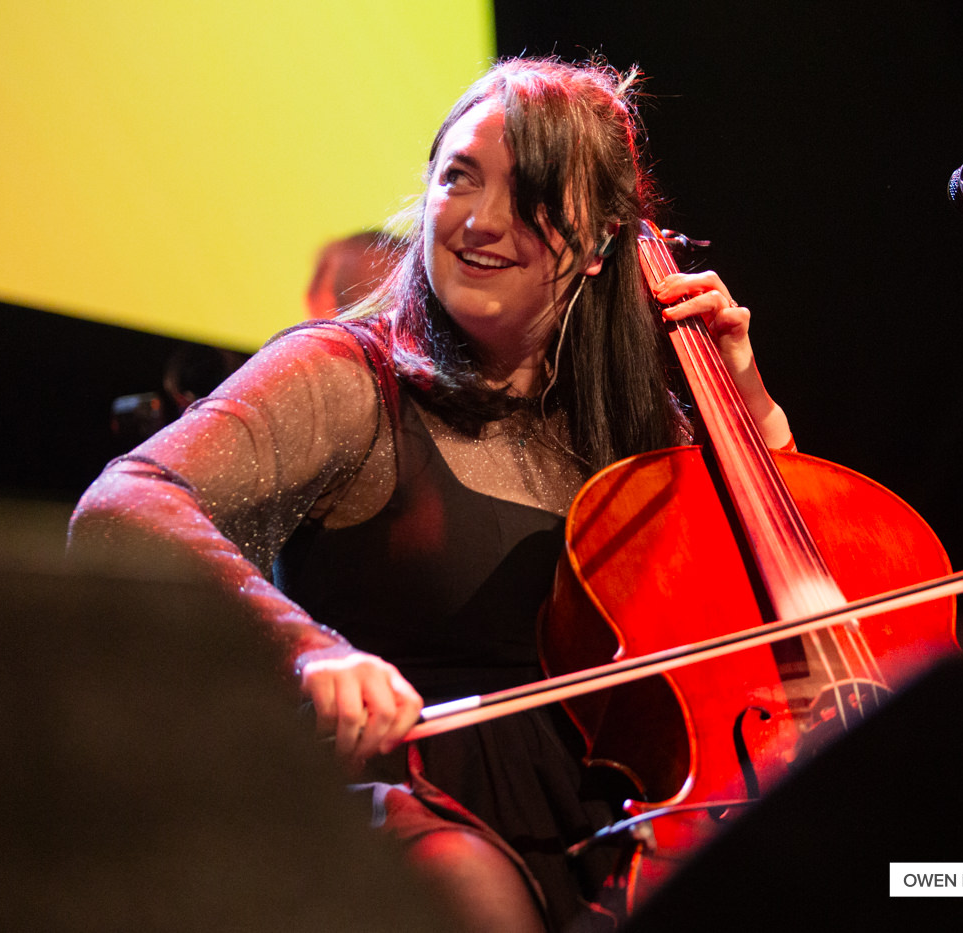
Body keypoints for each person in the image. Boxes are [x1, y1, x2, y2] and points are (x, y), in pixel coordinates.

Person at [70, 57, 792, 933]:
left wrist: (747, 405)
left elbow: (788, 613)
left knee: (912, 879)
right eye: (459, 178)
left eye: (530, 194)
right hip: (414, 821)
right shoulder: (349, 375)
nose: (482, 221)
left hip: (627, 822)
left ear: (603, 243)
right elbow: (124, 506)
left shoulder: (640, 433)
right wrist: (308, 648)